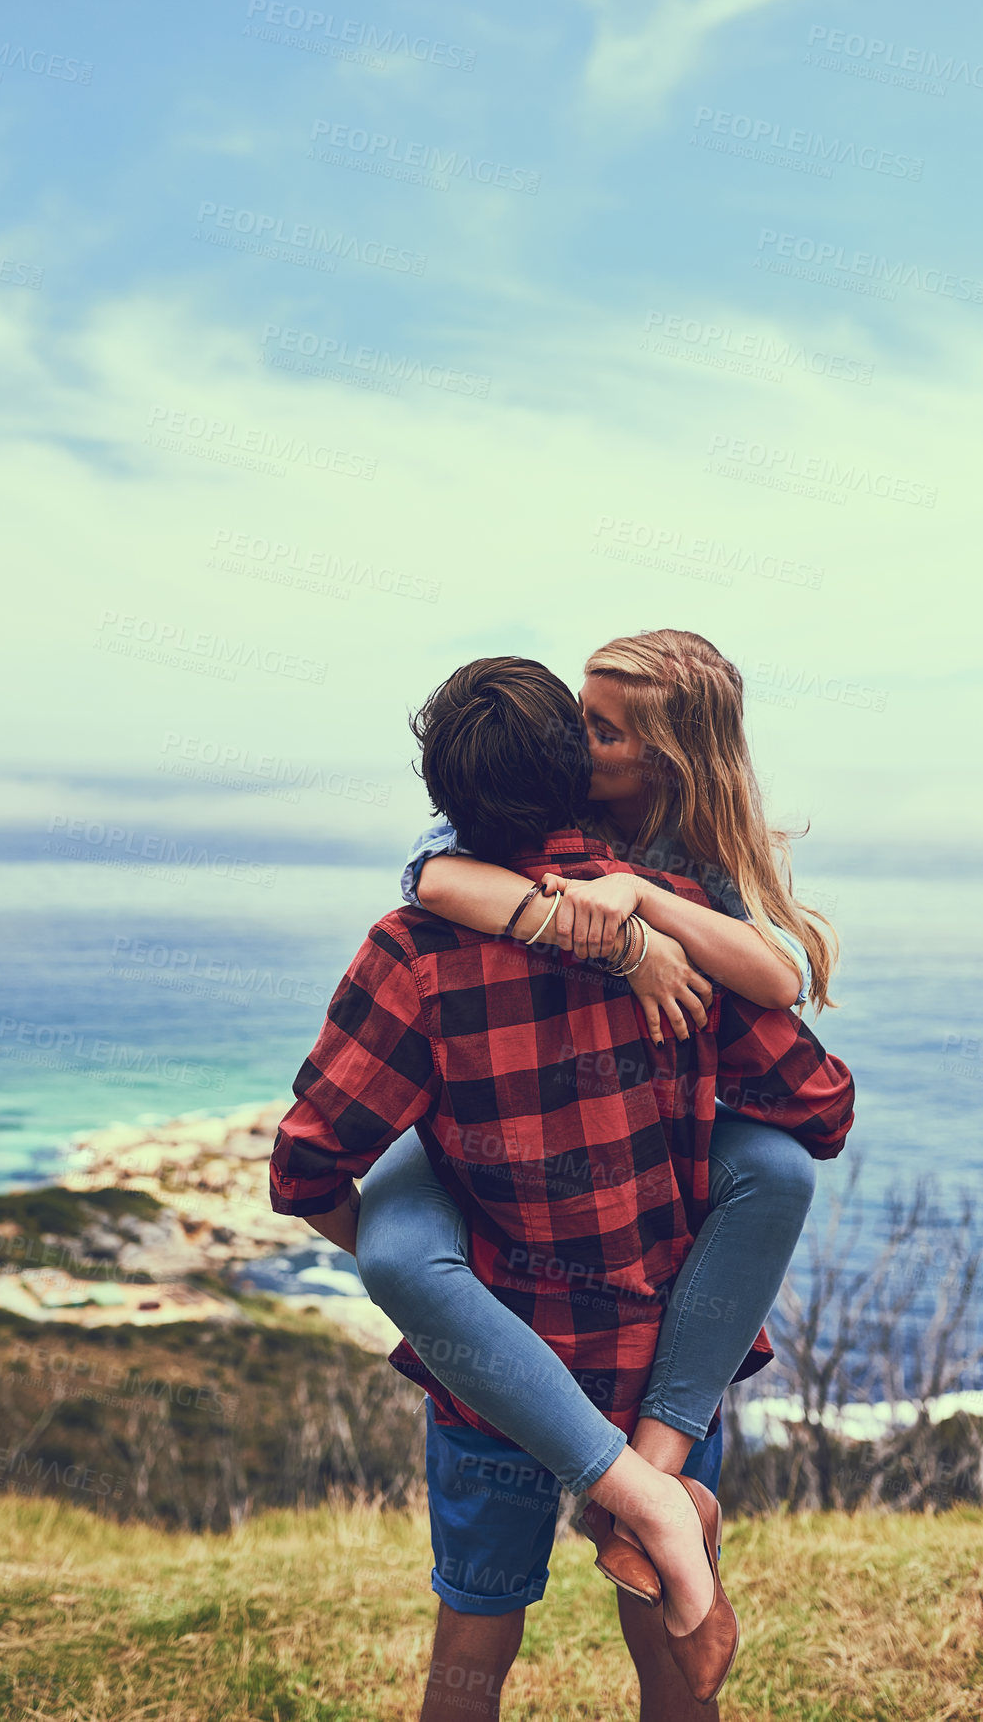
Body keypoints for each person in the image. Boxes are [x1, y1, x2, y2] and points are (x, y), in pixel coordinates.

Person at [269, 656, 854, 1717]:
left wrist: (427, 1256)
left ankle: (638, 1501)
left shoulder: (414, 954)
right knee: (674, 1655)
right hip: (655, 1356)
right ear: (571, 774)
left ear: (446, 794)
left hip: (492, 1384)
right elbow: (818, 1112)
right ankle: (655, 1498)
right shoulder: (676, 923)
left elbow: (307, 1164)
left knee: (472, 1646)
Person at [354, 629, 836, 1571]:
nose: (576, 740)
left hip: (637, 1097)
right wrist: (612, 944)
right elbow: (434, 876)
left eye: (601, 731)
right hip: (503, 1102)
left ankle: (653, 1463)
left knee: (776, 1168)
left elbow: (775, 980)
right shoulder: (536, 796)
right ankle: (628, 1488)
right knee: (396, 1249)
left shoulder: (686, 848)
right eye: (580, 715)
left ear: (666, 759)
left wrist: (640, 899)